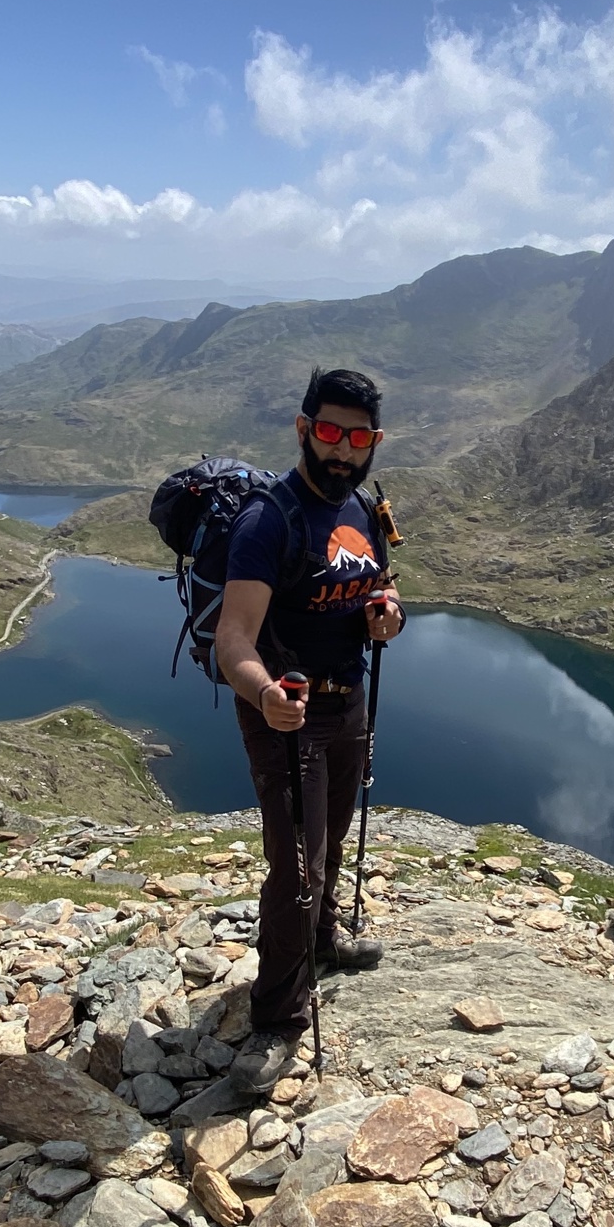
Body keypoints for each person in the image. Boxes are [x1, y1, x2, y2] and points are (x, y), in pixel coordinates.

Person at [215, 366, 406, 1094]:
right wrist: (264, 693)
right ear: (303, 429)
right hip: (283, 717)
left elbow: (373, 588)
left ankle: (324, 943)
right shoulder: (269, 520)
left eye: (357, 437)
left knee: (329, 838)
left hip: (346, 703)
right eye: (328, 432)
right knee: (297, 868)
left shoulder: (361, 507)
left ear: (373, 442)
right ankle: (276, 1019)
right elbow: (232, 640)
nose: (342, 449)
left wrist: (386, 615)